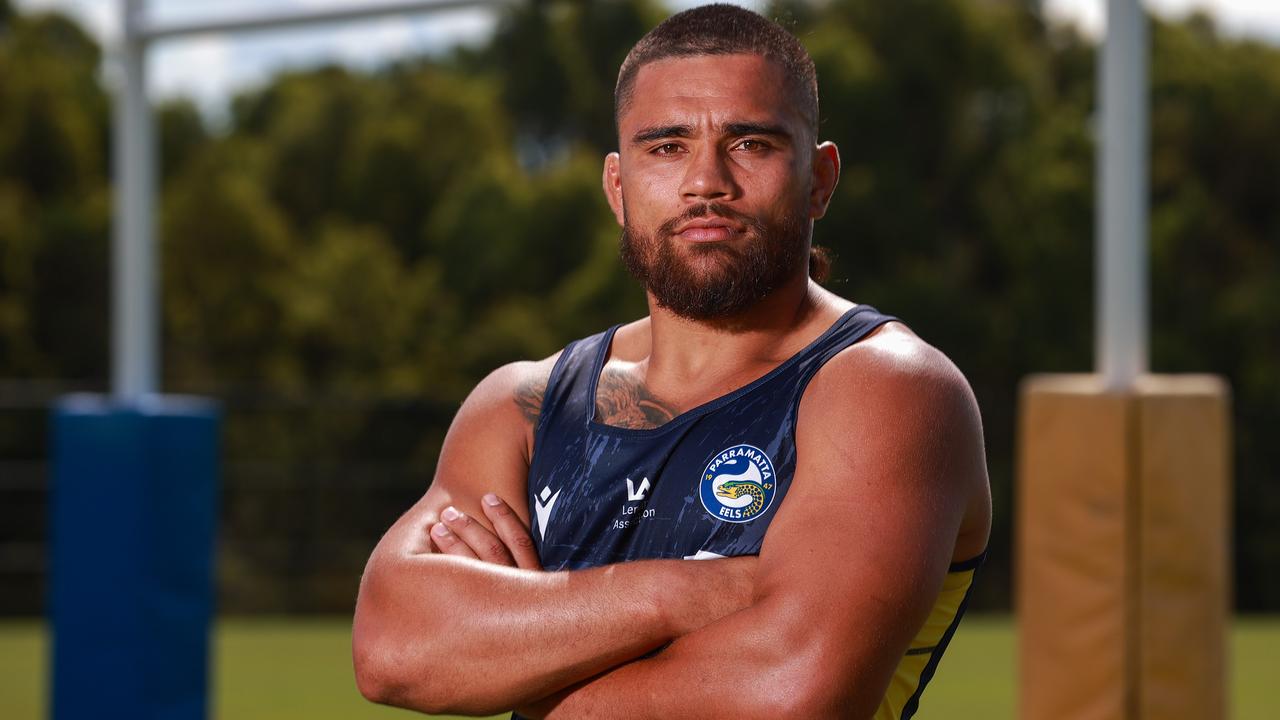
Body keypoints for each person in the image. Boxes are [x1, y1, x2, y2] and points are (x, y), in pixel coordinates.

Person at [352, 5, 991, 718]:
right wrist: (694, 593)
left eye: (750, 143)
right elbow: (392, 649)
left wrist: (521, 656)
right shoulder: (526, 406)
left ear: (820, 178)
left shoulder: (887, 390)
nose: (705, 182)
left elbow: (790, 696)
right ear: (618, 189)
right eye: (667, 147)